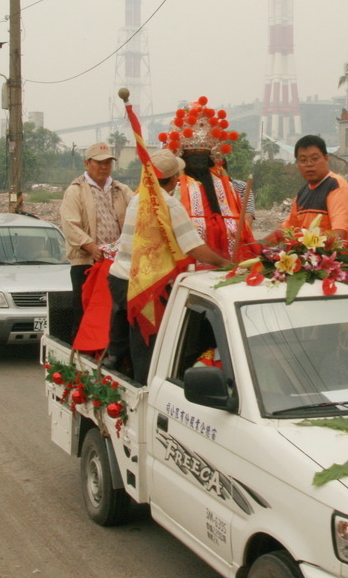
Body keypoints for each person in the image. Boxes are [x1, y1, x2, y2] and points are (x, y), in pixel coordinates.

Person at [103, 149, 231, 384]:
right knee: (147, 346)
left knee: (123, 346)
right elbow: (194, 247)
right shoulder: (169, 205)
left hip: (119, 279)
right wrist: (225, 262)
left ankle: (117, 378)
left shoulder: (138, 198)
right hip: (144, 287)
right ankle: (145, 391)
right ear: (174, 179)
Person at [59, 142, 133, 343]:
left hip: (116, 264)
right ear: (87, 163)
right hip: (86, 263)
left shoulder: (121, 189)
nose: (104, 167)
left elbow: (138, 212)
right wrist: (91, 247)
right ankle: (80, 359)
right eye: (99, 162)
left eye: (108, 162)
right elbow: (70, 225)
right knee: (84, 313)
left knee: (116, 314)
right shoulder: (75, 191)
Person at [159, 98, 250, 260]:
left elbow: (240, 224)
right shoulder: (174, 185)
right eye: (193, 158)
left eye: (203, 158)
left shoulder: (223, 185)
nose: (199, 164)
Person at [273, 134, 348, 241]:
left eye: (315, 159)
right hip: (306, 255)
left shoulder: (336, 186)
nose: (309, 164)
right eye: (303, 160)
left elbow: (339, 234)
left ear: (326, 158)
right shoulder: (303, 192)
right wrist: (256, 246)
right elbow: (286, 230)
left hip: (328, 255)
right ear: (297, 163)